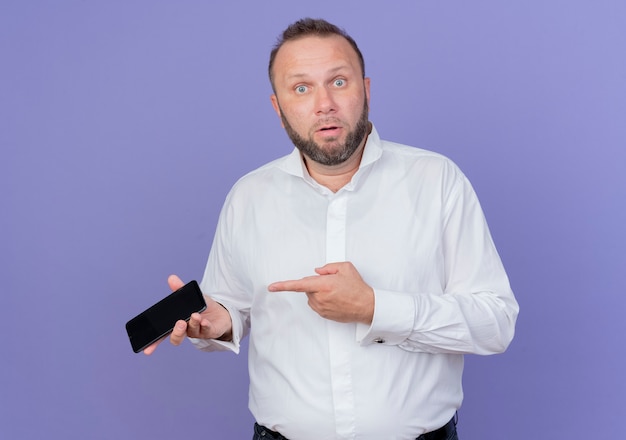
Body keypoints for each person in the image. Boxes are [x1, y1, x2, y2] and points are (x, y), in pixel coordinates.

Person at [145, 18, 519, 440]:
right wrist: (220, 321)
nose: (324, 104)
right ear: (278, 107)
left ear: (367, 90)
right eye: (301, 88)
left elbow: (496, 322)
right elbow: (233, 306)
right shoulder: (248, 196)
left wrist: (375, 308)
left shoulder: (438, 181)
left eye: (338, 82)